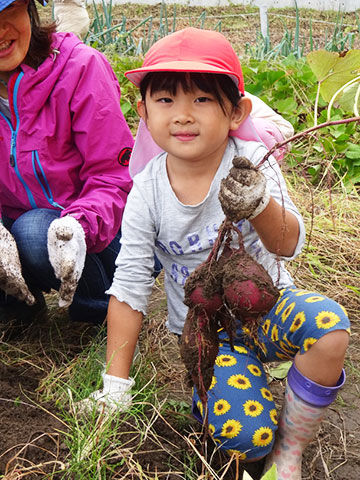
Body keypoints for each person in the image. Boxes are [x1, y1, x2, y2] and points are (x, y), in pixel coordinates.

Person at [83, 28, 350, 480]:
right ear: (143, 111)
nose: (183, 115)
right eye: (165, 100)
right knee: (246, 439)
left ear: (236, 111)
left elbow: (287, 245)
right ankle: (222, 393)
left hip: (268, 308)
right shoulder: (146, 191)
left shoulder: (251, 161)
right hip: (209, 331)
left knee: (330, 328)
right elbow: (128, 287)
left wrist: (259, 204)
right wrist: (115, 386)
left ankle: (291, 450)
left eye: (202, 100)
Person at [0, 0, 134, 329]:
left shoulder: (80, 68)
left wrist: (75, 229)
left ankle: (100, 308)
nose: (2, 30)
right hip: (16, 226)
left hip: (100, 231)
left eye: (9, 12)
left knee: (34, 232)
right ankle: (19, 308)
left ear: (31, 9)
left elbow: (112, 178)